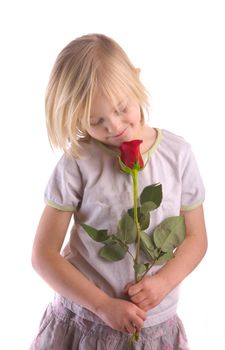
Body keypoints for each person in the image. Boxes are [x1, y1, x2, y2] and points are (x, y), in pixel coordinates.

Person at [30, 33, 207, 350]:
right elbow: (43, 256)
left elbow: (197, 238)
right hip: (86, 323)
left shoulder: (178, 154)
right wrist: (101, 304)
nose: (113, 126)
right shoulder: (78, 163)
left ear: (136, 79)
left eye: (121, 107)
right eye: (95, 121)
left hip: (155, 326)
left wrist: (163, 283)